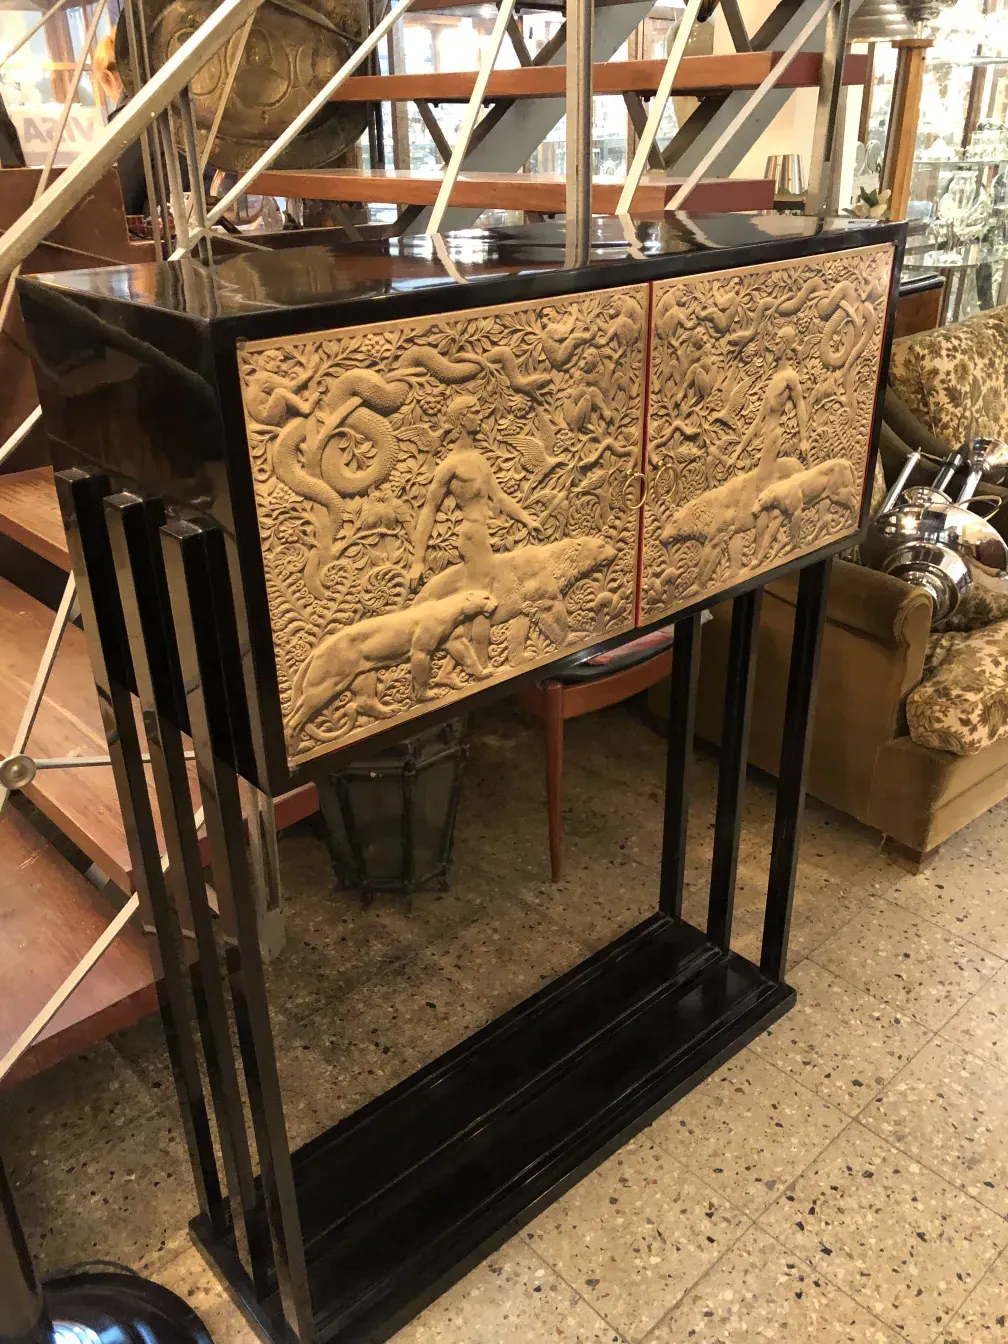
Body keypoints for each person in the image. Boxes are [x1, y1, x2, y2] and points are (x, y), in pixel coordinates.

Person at [92, 30, 188, 215]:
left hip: (163, 231)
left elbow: (125, 201)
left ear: (108, 77)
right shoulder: (178, 105)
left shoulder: (130, 121)